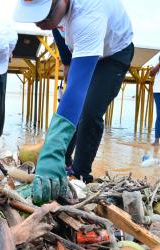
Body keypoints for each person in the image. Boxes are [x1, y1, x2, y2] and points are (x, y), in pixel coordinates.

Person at [14, 0, 134, 204]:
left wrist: (51, 150)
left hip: (113, 53)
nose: (39, 23)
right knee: (72, 108)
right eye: (35, 17)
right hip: (81, 46)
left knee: (89, 111)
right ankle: (62, 162)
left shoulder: (90, 11)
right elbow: (58, 31)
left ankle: (80, 174)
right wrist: (67, 61)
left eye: (45, 16)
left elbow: (77, 90)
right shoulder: (56, 13)